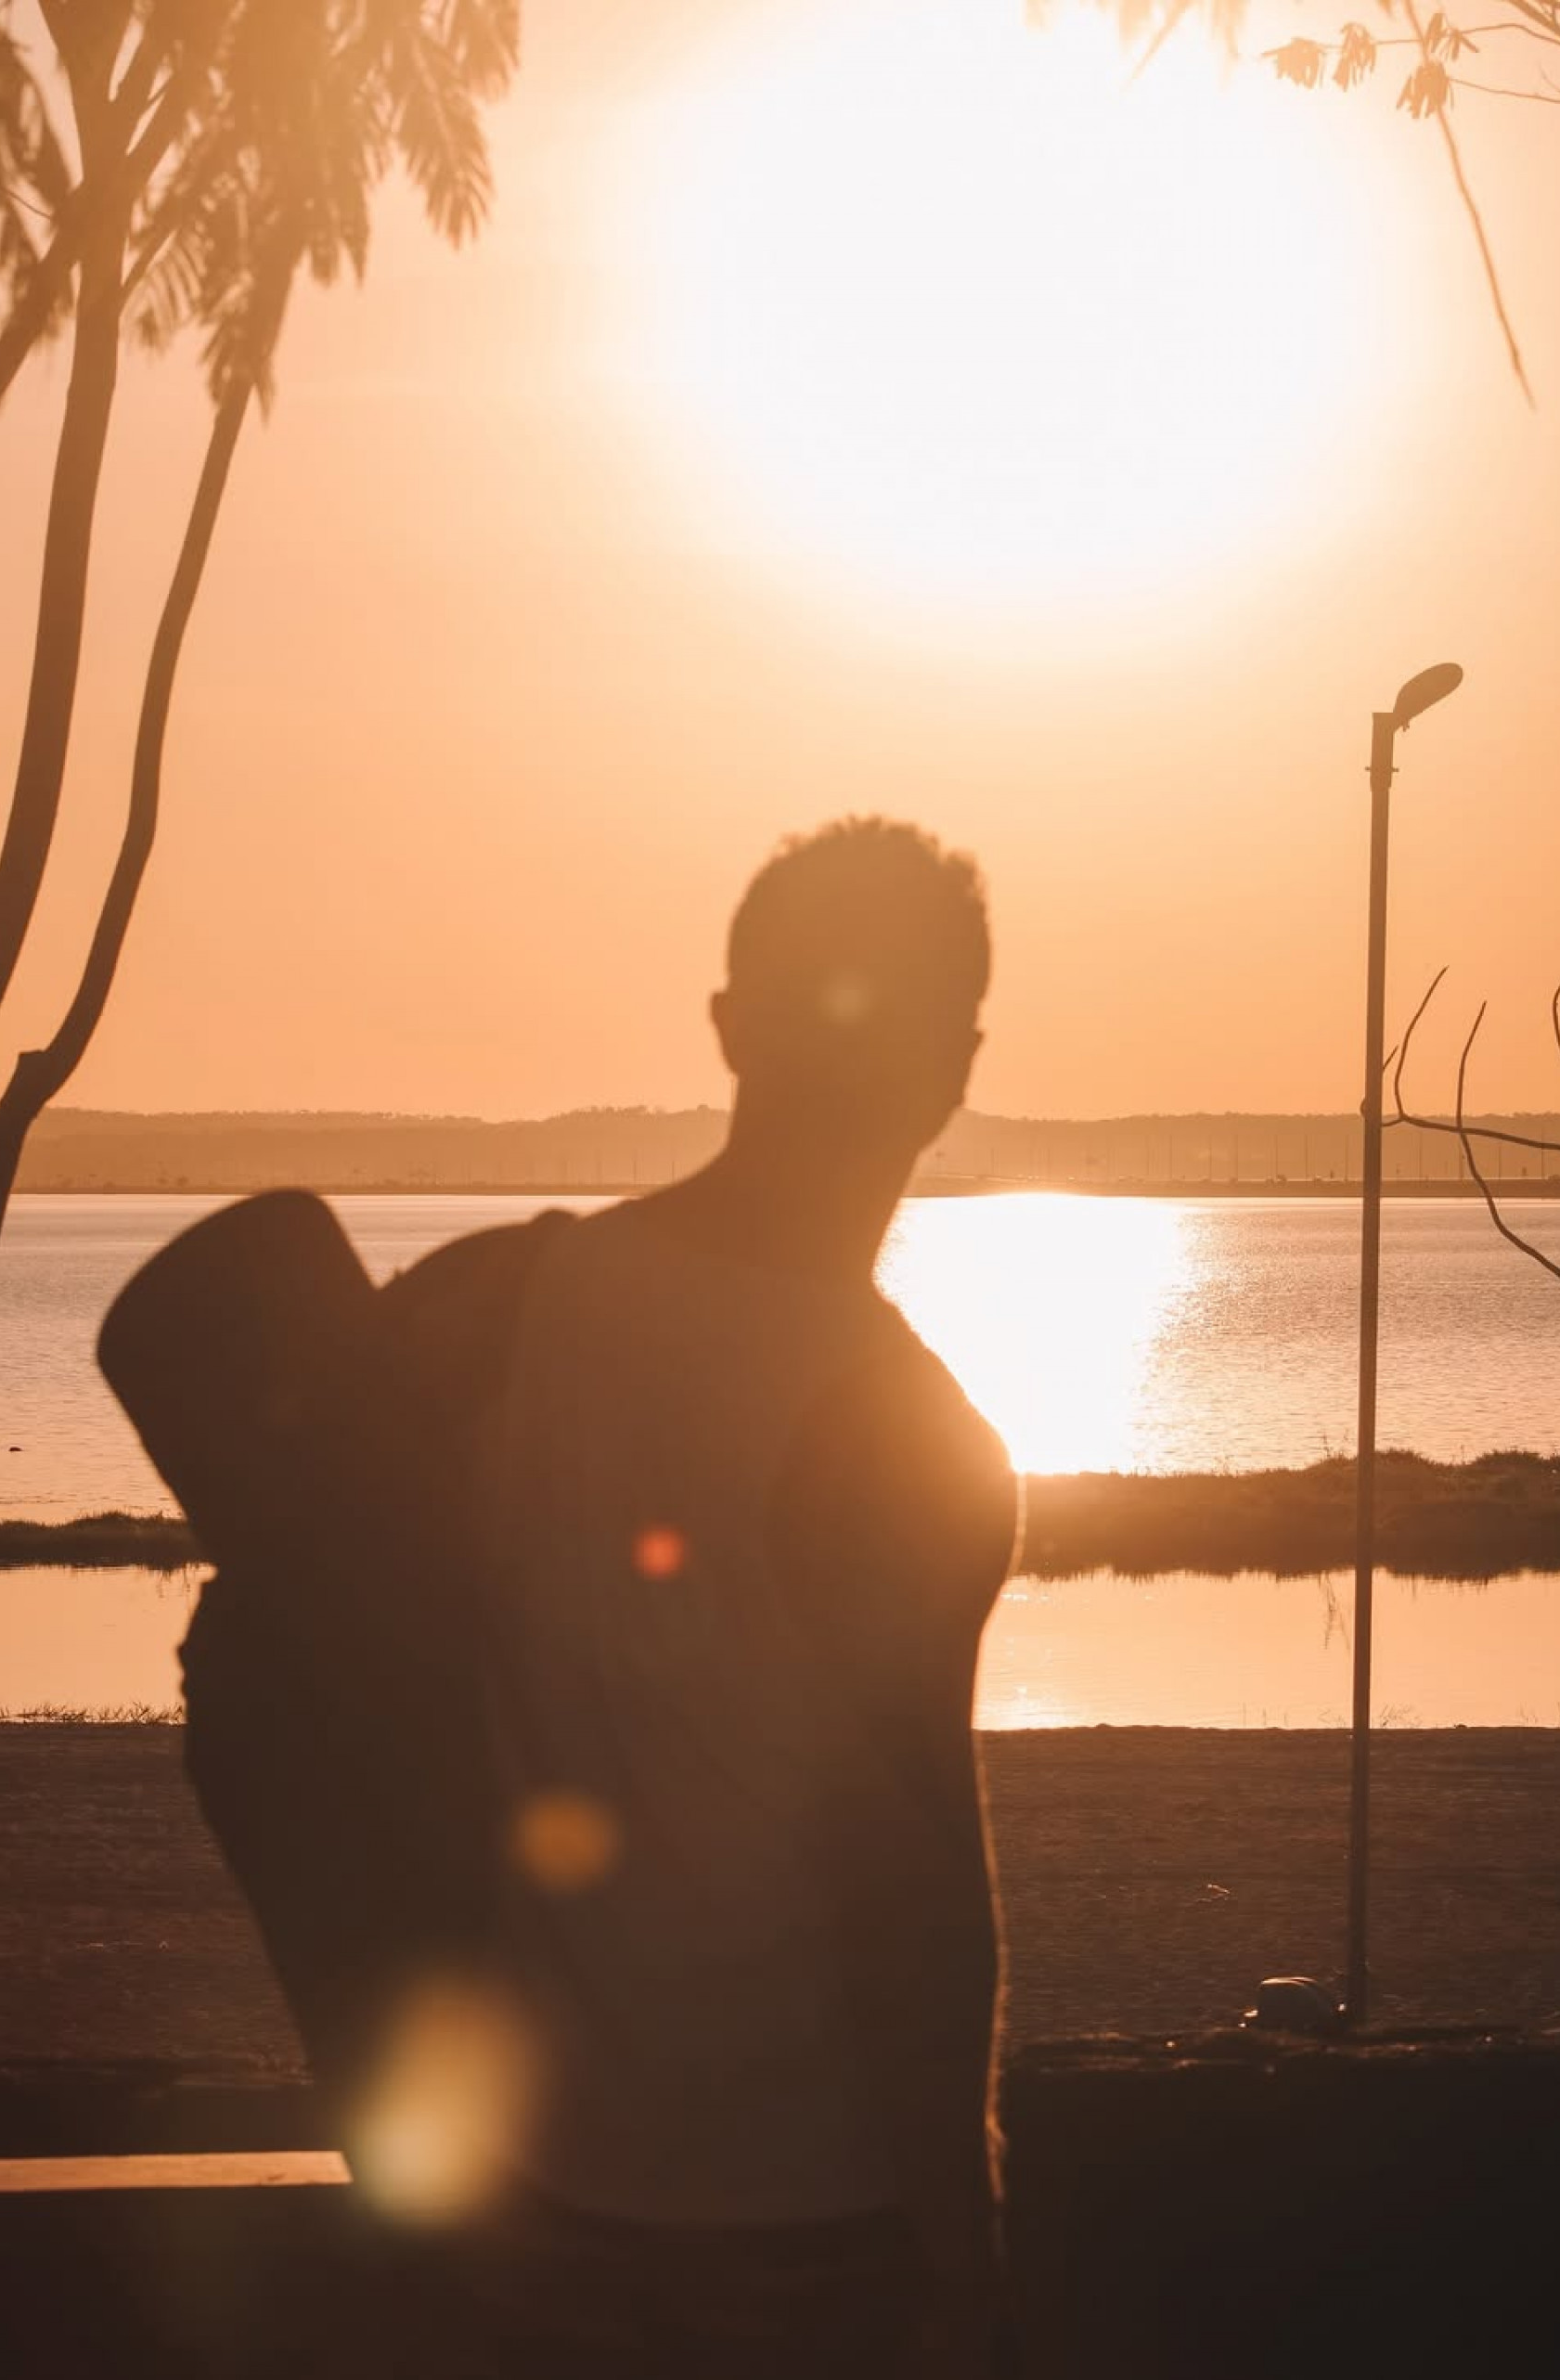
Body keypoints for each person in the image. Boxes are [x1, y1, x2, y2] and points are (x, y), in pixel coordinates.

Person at [451, 817, 1019, 2377]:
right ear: (956, 1067)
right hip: (800, 2217)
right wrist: (962, 2247)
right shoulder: (906, 1433)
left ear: (727, 1026)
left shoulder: (509, 1304)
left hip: (535, 2191)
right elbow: (911, 1887)